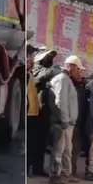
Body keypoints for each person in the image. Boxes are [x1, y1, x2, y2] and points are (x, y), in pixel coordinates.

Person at [47, 55, 86, 184]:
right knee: (59, 150)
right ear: (71, 67)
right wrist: (64, 119)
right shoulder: (62, 80)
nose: (79, 72)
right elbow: (60, 102)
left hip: (67, 123)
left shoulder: (66, 80)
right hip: (62, 123)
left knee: (65, 151)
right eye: (78, 69)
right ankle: (55, 175)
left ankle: (63, 174)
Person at [30, 48, 59, 176]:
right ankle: (29, 167)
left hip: (46, 112)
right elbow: (46, 74)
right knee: (33, 141)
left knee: (42, 142)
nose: (50, 60)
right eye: (47, 58)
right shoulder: (36, 69)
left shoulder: (48, 72)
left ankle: (38, 167)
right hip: (34, 112)